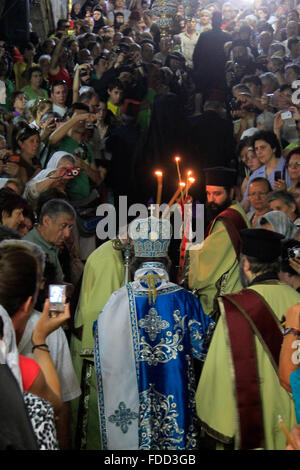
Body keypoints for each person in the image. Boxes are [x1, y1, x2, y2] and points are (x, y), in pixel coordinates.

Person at [94, 215, 215, 449]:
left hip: (132, 396)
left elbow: (101, 339)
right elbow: (205, 348)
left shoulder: (118, 300)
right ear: (166, 259)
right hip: (176, 396)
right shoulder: (185, 300)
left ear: (136, 258)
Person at [196, 228, 300, 450]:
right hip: (295, 425)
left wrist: (217, 421)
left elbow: (218, 376)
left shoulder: (236, 308)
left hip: (255, 422)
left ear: (245, 265)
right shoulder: (297, 300)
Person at [70, 236, 126, 450]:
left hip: (105, 355)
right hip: (93, 358)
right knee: (90, 422)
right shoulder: (109, 261)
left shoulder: (117, 255)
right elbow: (100, 316)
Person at [186, 167, 250, 319]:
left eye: (217, 194)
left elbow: (206, 267)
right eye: (208, 194)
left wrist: (189, 246)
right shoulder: (236, 213)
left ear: (232, 192)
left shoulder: (227, 221)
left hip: (224, 301)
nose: (211, 200)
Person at [24, 198, 76, 284]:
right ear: (46, 221)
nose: (67, 234)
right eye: (63, 225)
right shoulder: (29, 250)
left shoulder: (52, 244)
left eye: (70, 227)